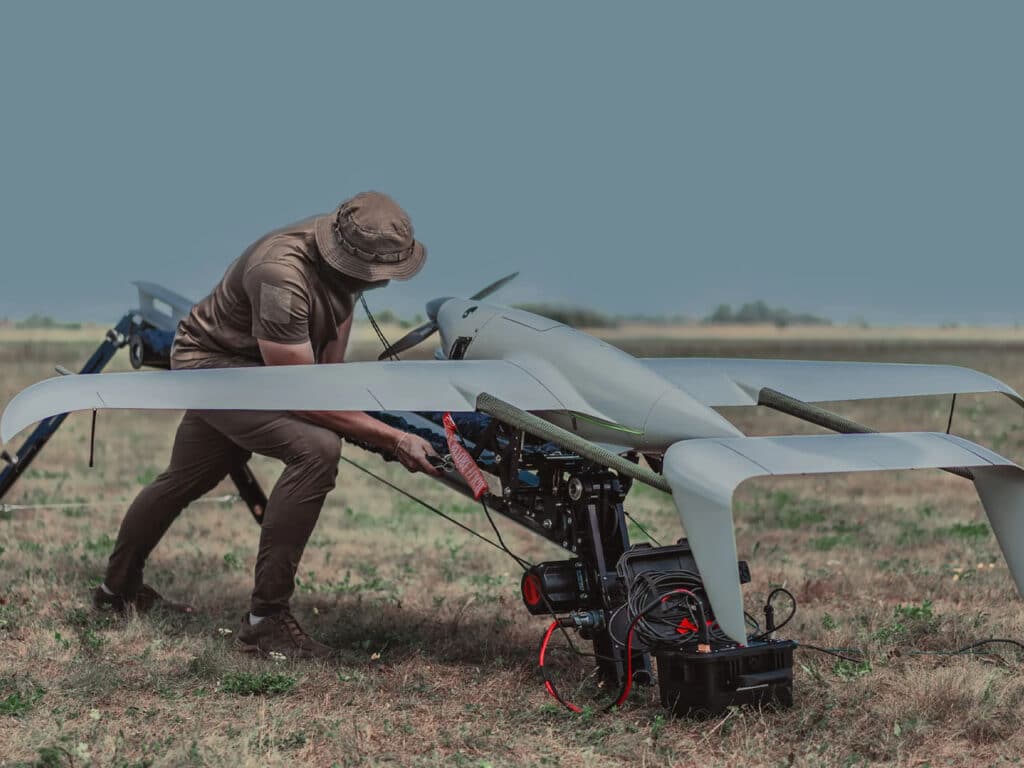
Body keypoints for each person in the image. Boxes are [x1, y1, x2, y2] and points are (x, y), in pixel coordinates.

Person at [93, 191, 442, 658]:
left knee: (187, 477)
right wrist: (394, 438)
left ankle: (115, 592)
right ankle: (266, 621)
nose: (383, 282)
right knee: (317, 450)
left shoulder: (347, 251)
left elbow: (329, 352)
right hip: (215, 366)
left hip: (258, 364)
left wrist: (355, 412)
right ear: (349, 258)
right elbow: (297, 392)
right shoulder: (281, 276)